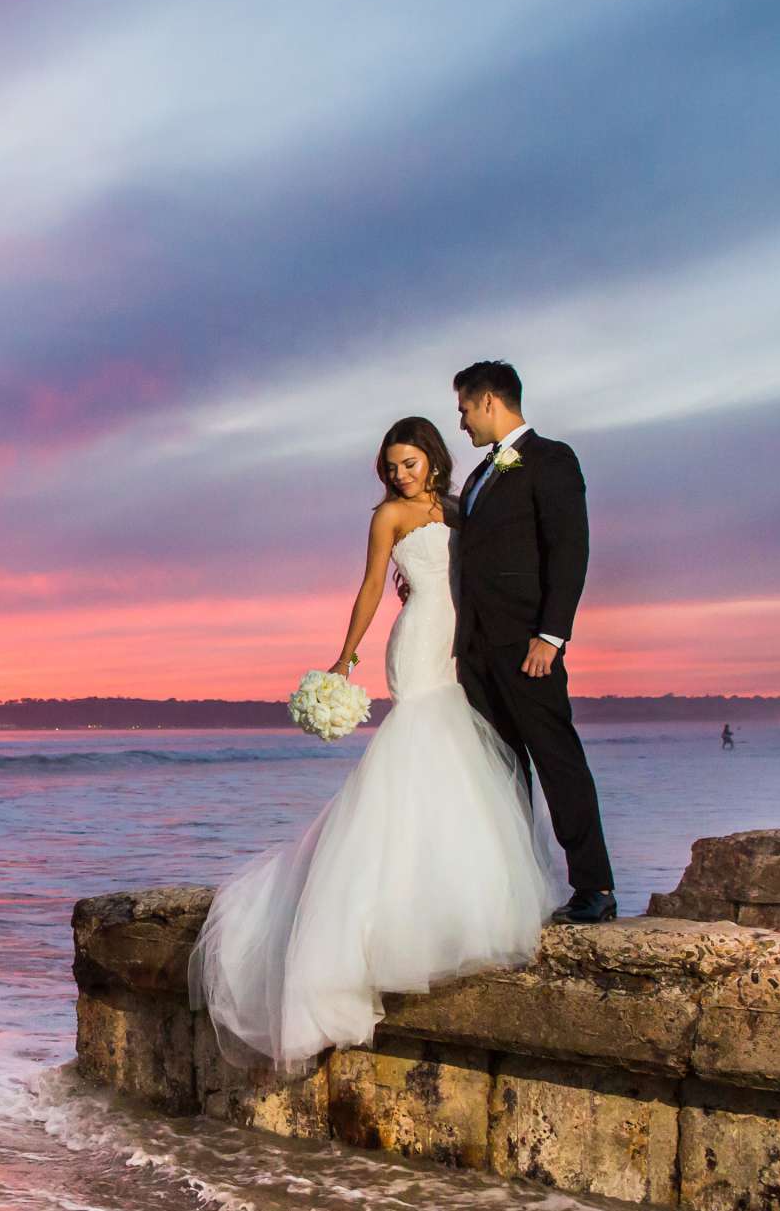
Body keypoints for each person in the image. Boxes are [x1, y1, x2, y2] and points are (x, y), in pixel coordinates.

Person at [189, 415, 565, 1072]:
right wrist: (346, 656)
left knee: (462, 757)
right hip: (419, 640)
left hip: (463, 643)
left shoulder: (458, 506)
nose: (399, 474)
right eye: (390, 465)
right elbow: (370, 586)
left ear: (432, 460)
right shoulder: (388, 518)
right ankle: (379, 915)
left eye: (408, 462)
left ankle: (448, 889)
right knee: (420, 740)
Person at [447, 361, 616, 922]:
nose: (463, 422)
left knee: (556, 759)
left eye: (465, 408)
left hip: (527, 646)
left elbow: (570, 550)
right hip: (476, 649)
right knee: (501, 769)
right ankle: (512, 885)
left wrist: (551, 635)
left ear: (490, 401)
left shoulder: (551, 459)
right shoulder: (477, 477)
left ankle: (595, 887)